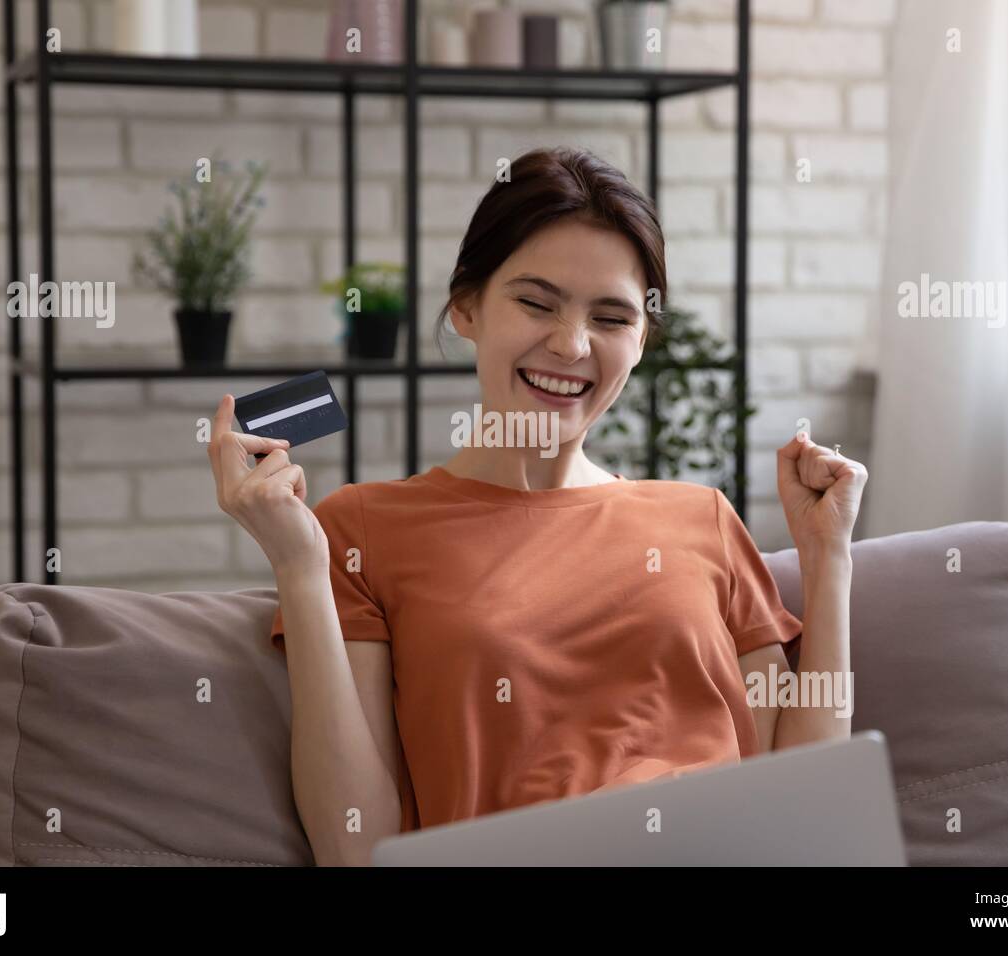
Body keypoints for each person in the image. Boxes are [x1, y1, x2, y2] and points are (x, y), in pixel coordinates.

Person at [206, 147, 868, 867]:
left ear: (641, 341)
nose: (571, 344)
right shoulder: (362, 530)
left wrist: (828, 556)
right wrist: (300, 570)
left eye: (612, 317)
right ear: (466, 308)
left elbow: (802, 799)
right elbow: (355, 847)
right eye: (535, 302)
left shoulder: (701, 519)